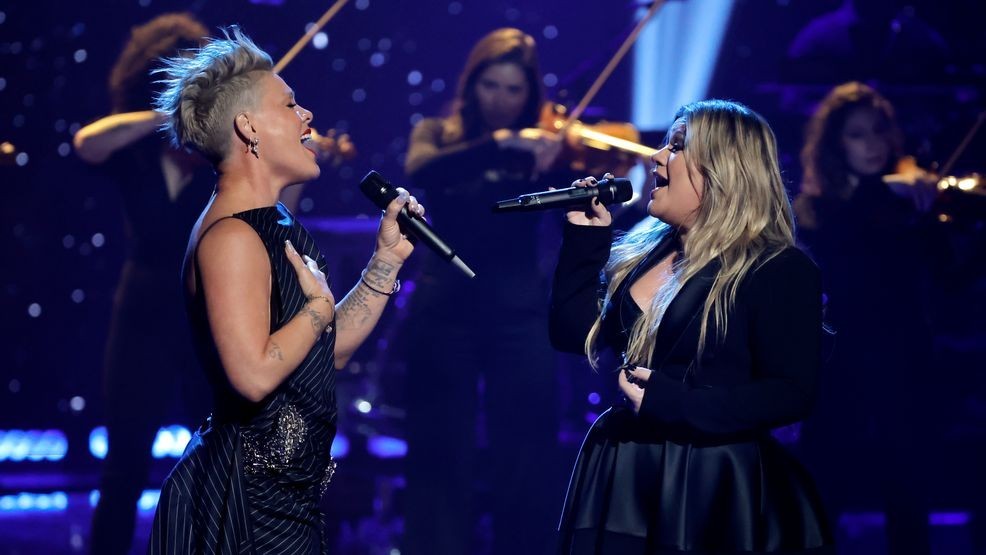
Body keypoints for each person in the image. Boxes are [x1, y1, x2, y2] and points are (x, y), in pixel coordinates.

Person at [146, 27, 423, 553]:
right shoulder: (230, 236)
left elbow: (324, 354)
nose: (307, 117)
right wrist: (318, 308)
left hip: (288, 502)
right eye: (290, 104)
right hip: (243, 506)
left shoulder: (274, 223)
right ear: (248, 126)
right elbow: (252, 375)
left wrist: (384, 263)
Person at [550, 99, 834, 554]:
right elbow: (570, 335)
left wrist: (677, 404)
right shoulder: (644, 254)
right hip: (627, 469)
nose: (656, 156)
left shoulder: (778, 268)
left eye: (677, 146)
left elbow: (791, 392)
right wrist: (584, 243)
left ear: (723, 170)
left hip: (711, 478)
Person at [401, 27, 575, 555]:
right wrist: (501, 144)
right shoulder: (440, 134)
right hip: (445, 308)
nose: (500, 100)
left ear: (531, 95)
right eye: (491, 85)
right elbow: (419, 171)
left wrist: (560, 162)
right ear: (472, 83)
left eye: (514, 90)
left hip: (518, 313)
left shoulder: (548, 149)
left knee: (525, 451)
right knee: (438, 450)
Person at [71, 13, 213, 554]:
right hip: (142, 310)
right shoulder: (133, 147)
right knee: (125, 457)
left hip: (207, 311)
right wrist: (165, 114)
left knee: (211, 453)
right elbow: (87, 142)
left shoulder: (219, 152)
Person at [793, 81, 935, 555]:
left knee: (907, 488)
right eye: (858, 134)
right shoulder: (815, 212)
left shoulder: (907, 206)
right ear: (836, 144)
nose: (874, 144)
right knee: (823, 484)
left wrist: (929, 214)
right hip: (838, 365)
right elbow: (840, 265)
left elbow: (947, 279)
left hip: (903, 362)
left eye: (879, 132)